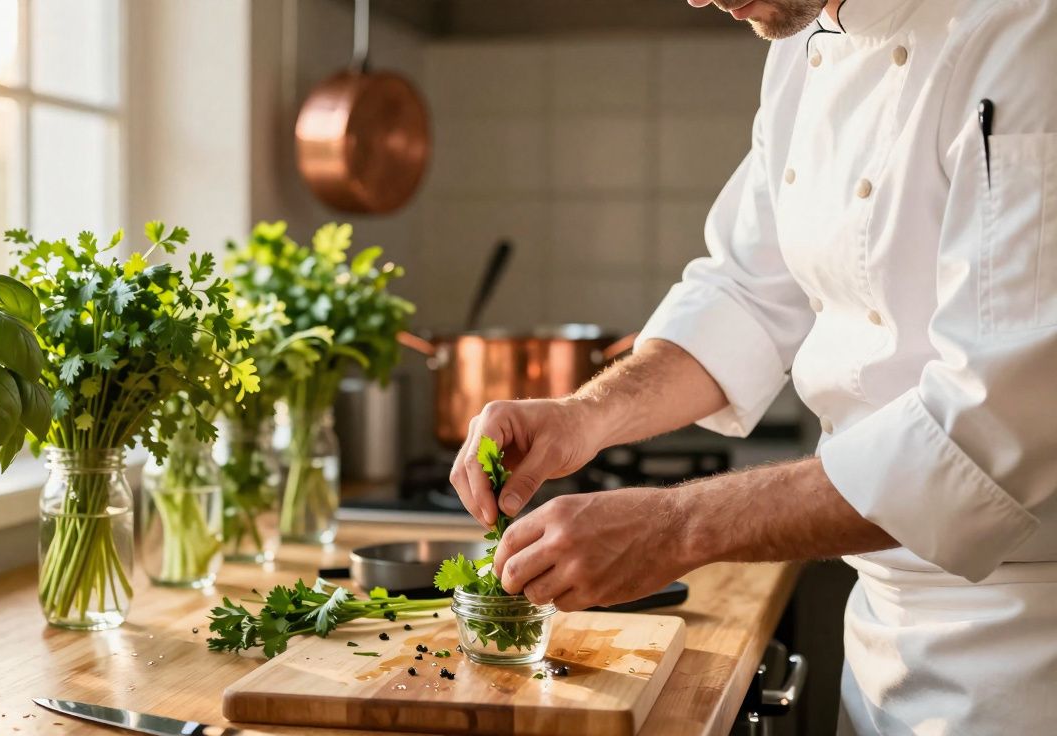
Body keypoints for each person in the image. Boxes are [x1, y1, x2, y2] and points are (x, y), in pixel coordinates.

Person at [448, 0, 1057, 732]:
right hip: (884, 637)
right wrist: (585, 416)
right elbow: (747, 293)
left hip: (1027, 655)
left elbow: (986, 434)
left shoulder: (1026, 32)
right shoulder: (804, 44)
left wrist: (678, 525)